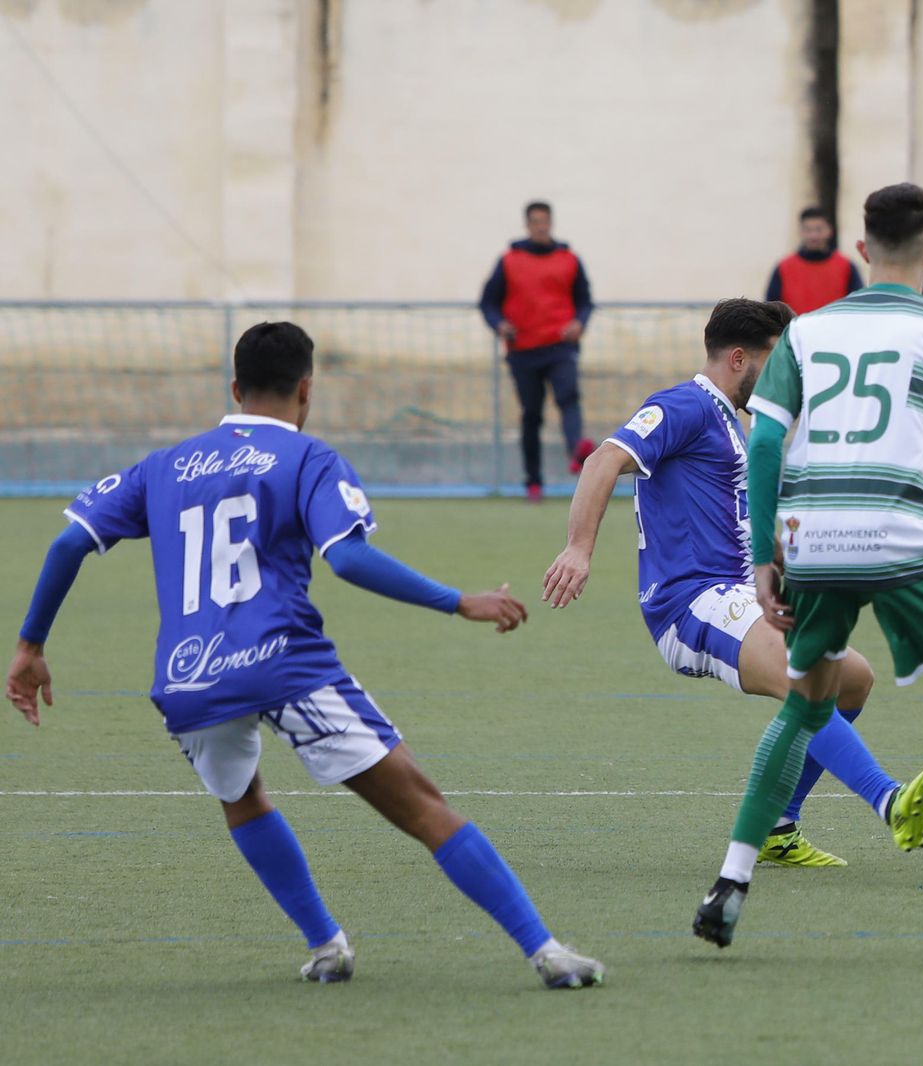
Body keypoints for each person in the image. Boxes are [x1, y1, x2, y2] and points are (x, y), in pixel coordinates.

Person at [4, 322, 604, 990]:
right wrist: (457, 600)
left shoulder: (164, 464)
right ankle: (545, 951)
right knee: (424, 808)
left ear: (234, 389)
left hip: (188, 677)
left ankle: (325, 945)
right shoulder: (309, 459)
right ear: (307, 390)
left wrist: (31, 646)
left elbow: (67, 544)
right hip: (285, 661)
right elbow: (346, 557)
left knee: (244, 797)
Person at [693, 183, 923, 967]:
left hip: (814, 542)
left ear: (861, 251)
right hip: (903, 538)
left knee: (802, 709)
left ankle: (729, 885)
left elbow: (765, 446)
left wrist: (767, 555)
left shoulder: (804, 332)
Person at [543, 297, 923, 867]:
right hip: (690, 603)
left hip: (738, 595)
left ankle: (780, 827)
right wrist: (579, 549)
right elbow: (602, 460)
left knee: (853, 679)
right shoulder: (684, 405)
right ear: (738, 358)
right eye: (775, 363)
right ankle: (889, 799)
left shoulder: (732, 423)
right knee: (802, 678)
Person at [478, 201, 596, 502]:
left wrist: (579, 323)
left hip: (560, 345)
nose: (541, 226)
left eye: (545, 221)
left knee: (569, 397)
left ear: (551, 223)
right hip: (524, 349)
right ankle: (533, 482)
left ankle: (576, 451)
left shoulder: (569, 259)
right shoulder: (509, 261)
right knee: (531, 415)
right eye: (535, 221)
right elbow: (488, 302)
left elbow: (585, 301)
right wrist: (499, 324)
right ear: (527, 225)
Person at [765, 207, 864, 314]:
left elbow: (857, 306)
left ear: (829, 230)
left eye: (819, 229)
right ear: (800, 232)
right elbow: (771, 310)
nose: (814, 236)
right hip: (794, 330)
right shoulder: (783, 267)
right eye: (808, 230)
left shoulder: (846, 266)